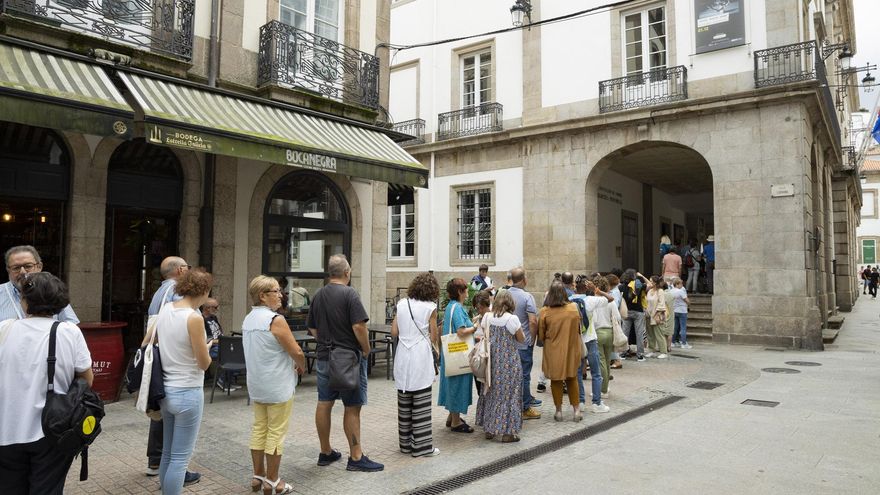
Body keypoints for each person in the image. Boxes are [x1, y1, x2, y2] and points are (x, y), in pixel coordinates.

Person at [0, 272, 92, 493]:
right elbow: (87, 379)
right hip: (52, 430)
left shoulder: (4, 328)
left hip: (6, 429)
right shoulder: (69, 332)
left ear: (24, 301)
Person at [307, 255, 383, 472]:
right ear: (347, 272)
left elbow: (312, 328)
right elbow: (359, 327)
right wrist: (366, 350)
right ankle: (356, 457)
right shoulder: (350, 294)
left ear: (329, 273)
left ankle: (325, 451)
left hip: (324, 357)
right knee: (352, 406)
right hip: (348, 359)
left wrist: (326, 339)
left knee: (324, 402)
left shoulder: (319, 294)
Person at [242, 276, 307, 494]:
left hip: (257, 384)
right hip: (277, 385)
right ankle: (273, 481)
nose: (281, 294)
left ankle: (257, 475)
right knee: (276, 432)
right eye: (276, 291)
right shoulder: (275, 320)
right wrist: (302, 366)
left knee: (259, 428)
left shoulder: (248, 319)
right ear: (262, 296)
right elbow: (296, 351)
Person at [154, 268, 213, 495]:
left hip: (165, 391)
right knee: (180, 458)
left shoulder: (167, 309)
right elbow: (203, 363)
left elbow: (151, 339)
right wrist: (207, 348)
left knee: (168, 453)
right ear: (203, 290)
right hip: (188, 391)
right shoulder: (194, 317)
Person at [145, 256, 199, 485]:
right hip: (177, 371)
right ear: (179, 270)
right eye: (187, 268)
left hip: (159, 362)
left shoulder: (159, 292)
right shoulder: (176, 294)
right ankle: (174, 471)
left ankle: (155, 461)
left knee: (161, 412)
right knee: (177, 448)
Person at [391, 273, 441, 458]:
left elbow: (394, 331)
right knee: (421, 400)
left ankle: (405, 444)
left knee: (404, 399)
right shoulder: (431, 307)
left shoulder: (402, 304)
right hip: (420, 353)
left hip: (403, 353)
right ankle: (422, 447)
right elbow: (433, 336)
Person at [475, 289, 525, 442]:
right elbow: (521, 339)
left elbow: (484, 332)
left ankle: (490, 429)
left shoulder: (488, 317)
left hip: (492, 362)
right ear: (510, 303)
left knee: (491, 392)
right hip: (510, 363)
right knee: (511, 395)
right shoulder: (512, 319)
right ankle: (508, 433)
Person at [538, 281, 583, 422]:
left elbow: (541, 334)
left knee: (556, 380)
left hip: (553, 349)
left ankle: (558, 411)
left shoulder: (545, 311)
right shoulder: (573, 309)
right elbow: (579, 329)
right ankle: (576, 411)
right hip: (571, 347)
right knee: (572, 378)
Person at [1, 245, 78, 323]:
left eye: (28, 266)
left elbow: (72, 325)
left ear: (39, 267)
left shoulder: (52, 291)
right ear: (8, 270)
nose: (22, 272)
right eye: (16, 268)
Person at [438, 278, 476, 433]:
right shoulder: (458, 308)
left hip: (450, 353)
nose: (467, 292)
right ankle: (455, 422)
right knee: (457, 384)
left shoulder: (450, 307)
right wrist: (475, 328)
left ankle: (452, 416)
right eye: (465, 289)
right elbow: (461, 332)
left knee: (452, 384)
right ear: (460, 291)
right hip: (458, 352)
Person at [570, 275, 613, 413]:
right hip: (590, 339)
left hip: (576, 341)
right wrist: (597, 290)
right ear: (587, 286)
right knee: (595, 372)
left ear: (575, 287)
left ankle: (580, 402)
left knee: (577, 373)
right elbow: (611, 299)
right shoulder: (591, 300)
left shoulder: (569, 301)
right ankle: (597, 403)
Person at [507, 268, 542, 419]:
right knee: (525, 376)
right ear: (523, 280)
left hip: (508, 343)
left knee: (511, 376)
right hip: (523, 343)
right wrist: (531, 340)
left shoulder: (504, 294)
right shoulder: (527, 297)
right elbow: (533, 321)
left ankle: (512, 405)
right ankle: (525, 408)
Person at [620, 269, 649, 361]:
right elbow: (651, 285)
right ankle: (640, 355)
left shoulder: (621, 287)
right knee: (639, 333)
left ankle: (623, 353)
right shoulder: (639, 285)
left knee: (625, 333)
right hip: (638, 311)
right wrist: (642, 276)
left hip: (626, 311)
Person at [471, 290, 492, 397]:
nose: (479, 310)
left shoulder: (494, 317)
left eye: (480, 307)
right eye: (477, 308)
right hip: (479, 358)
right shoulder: (477, 319)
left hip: (489, 358)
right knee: (480, 390)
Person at [645, 276, 668, 359]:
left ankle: (663, 351)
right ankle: (651, 350)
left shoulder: (660, 291)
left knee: (659, 334)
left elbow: (661, 303)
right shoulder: (649, 291)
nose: (649, 283)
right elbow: (647, 302)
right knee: (650, 334)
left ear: (655, 282)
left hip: (657, 315)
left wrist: (657, 314)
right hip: (649, 315)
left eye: (650, 281)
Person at [606, 273, 624, 370]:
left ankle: (617, 360)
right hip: (613, 317)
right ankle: (613, 359)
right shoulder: (614, 291)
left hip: (614, 318)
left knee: (614, 339)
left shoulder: (614, 292)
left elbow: (615, 305)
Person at [668, 278, 692, 349]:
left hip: (674, 310)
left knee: (675, 327)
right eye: (681, 283)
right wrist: (689, 304)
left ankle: (672, 342)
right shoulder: (681, 291)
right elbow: (687, 300)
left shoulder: (671, 291)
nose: (682, 285)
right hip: (682, 311)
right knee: (683, 327)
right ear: (677, 284)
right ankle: (683, 343)